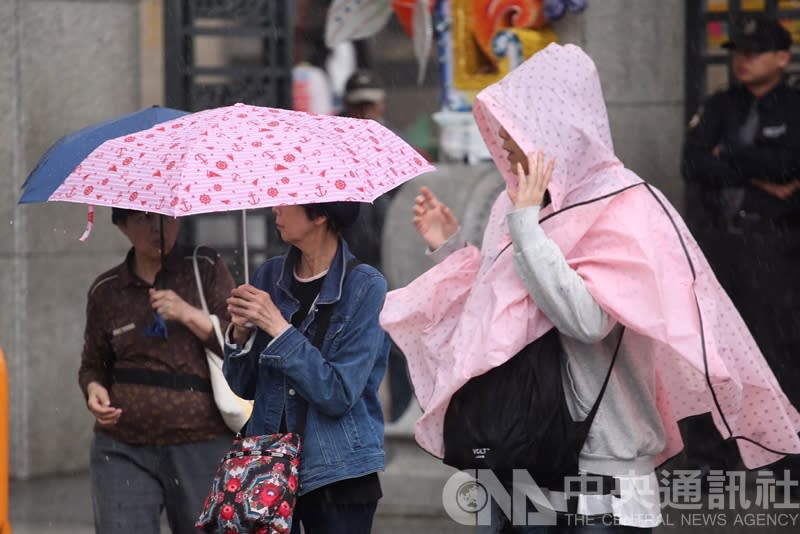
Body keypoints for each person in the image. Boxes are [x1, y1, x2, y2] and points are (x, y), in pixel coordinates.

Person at [380, 43, 800, 532]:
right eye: (502, 129)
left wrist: (525, 224)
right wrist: (452, 248)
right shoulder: (515, 203)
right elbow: (497, 315)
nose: (507, 145)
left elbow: (586, 320)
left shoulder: (625, 205)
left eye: (517, 129)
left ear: (559, 127)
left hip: (602, 463)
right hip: (514, 449)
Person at [681, 14, 800, 478]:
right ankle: (710, 459)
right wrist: (759, 173)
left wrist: (727, 156)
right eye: (738, 52)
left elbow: (789, 162)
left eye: (754, 52)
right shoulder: (719, 107)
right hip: (718, 244)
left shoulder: (792, 108)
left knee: (778, 351)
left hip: (776, 246)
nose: (743, 61)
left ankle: (786, 460)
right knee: (712, 353)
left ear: (782, 58)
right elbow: (693, 164)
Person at [223, 202, 390, 534]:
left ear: (321, 214)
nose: (275, 210)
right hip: (267, 467)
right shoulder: (268, 276)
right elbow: (244, 386)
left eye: (287, 201)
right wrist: (239, 336)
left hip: (339, 472)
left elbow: (338, 393)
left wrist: (279, 328)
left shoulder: (367, 287)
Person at [78, 208, 235, 534]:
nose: (158, 228)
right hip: (123, 444)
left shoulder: (203, 267)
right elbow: (94, 364)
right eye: (144, 219)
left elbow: (237, 344)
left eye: (166, 218)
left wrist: (187, 313)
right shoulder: (107, 290)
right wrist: (94, 389)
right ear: (122, 226)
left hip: (202, 440)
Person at [340, 68, 414, 422]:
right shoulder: (331, 147)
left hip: (390, 261)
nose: (365, 113)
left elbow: (407, 204)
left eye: (371, 105)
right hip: (347, 264)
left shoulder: (396, 146)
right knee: (351, 345)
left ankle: (399, 420)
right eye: (358, 106)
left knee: (397, 345)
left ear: (382, 104)